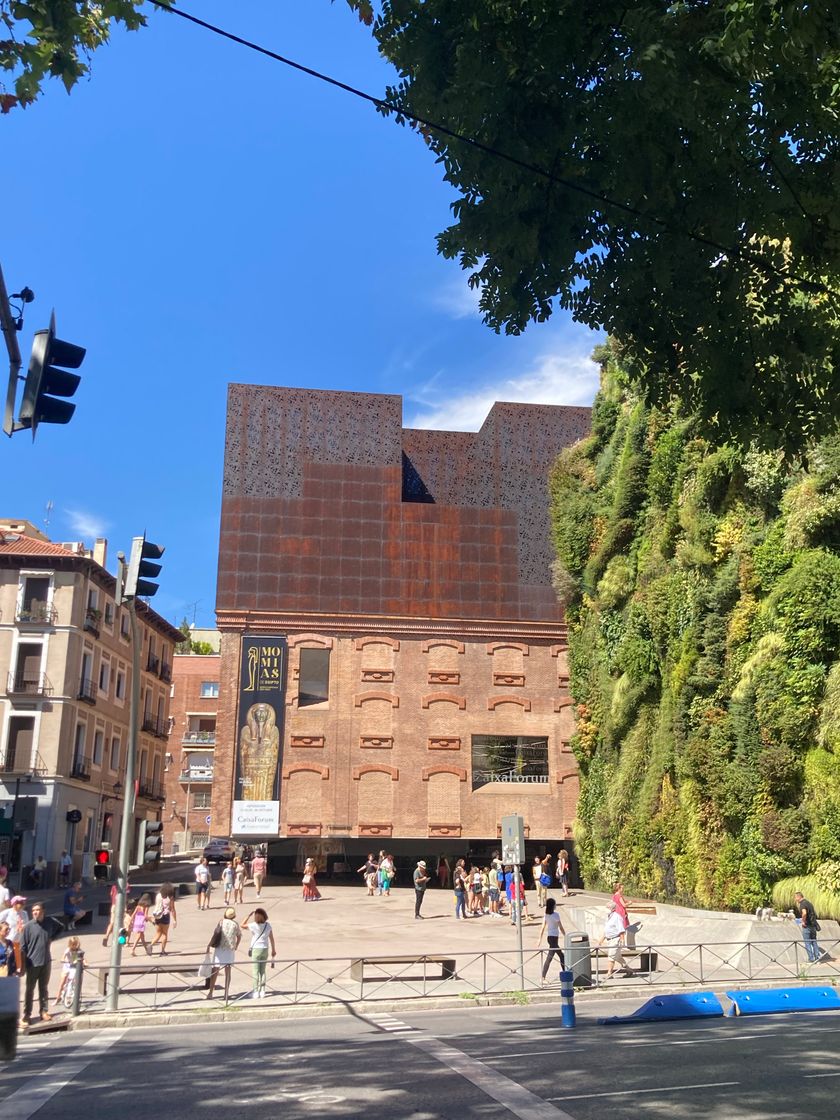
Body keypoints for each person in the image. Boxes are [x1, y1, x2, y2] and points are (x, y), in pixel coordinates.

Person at [20, 902, 57, 1029]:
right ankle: (27, 1014)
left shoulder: (49, 922)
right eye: (33, 910)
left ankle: (43, 1011)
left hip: (46, 961)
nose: (35, 912)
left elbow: (62, 926)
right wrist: (23, 965)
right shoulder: (28, 926)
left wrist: (53, 937)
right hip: (32, 963)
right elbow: (22, 947)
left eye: (38, 910)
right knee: (29, 990)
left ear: (43, 911)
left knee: (44, 988)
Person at [206, 906, 241, 1003]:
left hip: (219, 948)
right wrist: (236, 945)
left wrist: (210, 944)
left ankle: (211, 992)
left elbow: (216, 933)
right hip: (230, 949)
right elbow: (239, 936)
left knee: (215, 970)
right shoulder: (235, 924)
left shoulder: (221, 921)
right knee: (228, 972)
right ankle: (226, 993)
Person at [242, 907, 276, 998]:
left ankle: (256, 992)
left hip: (256, 949)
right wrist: (273, 950)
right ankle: (263, 991)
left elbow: (242, 925)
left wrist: (248, 915)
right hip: (265, 949)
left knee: (255, 971)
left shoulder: (253, 925)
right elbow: (272, 939)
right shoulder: (268, 925)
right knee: (263, 971)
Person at [537, 898, 567, 985]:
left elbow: (542, 928)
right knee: (551, 957)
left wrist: (539, 939)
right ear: (553, 906)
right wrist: (565, 935)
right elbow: (560, 927)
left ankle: (564, 974)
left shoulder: (546, 915)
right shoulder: (556, 915)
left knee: (561, 956)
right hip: (554, 938)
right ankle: (542, 977)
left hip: (550, 938)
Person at [600, 902, 632, 979]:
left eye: (607, 907)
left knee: (611, 956)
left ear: (612, 909)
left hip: (615, 939)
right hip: (610, 939)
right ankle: (629, 970)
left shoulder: (617, 917)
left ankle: (609, 974)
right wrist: (601, 940)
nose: (606, 909)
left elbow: (621, 929)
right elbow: (606, 930)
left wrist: (622, 939)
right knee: (618, 957)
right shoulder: (609, 917)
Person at [794, 891, 824, 963]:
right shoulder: (809, 903)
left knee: (807, 942)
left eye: (795, 898)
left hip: (807, 926)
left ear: (799, 897)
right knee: (814, 941)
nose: (795, 900)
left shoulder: (802, 904)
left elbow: (804, 913)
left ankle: (811, 959)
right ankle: (817, 958)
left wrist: (803, 921)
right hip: (813, 925)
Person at [0, 895, 28, 973]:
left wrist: (24, 927)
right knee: (9, 956)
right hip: (10, 939)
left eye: (23, 902)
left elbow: (27, 925)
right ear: (14, 904)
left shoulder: (24, 913)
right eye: (20, 902)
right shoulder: (8, 912)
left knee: (19, 955)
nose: (23, 904)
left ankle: (18, 970)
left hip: (20, 939)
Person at [149, 884, 177, 954]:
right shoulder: (170, 897)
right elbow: (172, 909)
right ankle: (162, 951)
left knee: (158, 933)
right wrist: (175, 920)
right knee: (164, 934)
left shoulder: (158, 895)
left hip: (157, 915)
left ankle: (151, 945)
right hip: (165, 916)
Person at [54, 935, 81, 1005]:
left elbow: (83, 958)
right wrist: (63, 960)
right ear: (70, 944)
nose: (75, 946)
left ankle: (72, 996)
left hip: (73, 967)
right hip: (67, 966)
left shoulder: (79, 950)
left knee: (74, 980)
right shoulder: (68, 950)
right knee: (62, 982)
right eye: (73, 945)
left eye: (76, 944)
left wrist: (85, 963)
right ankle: (58, 998)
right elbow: (62, 958)